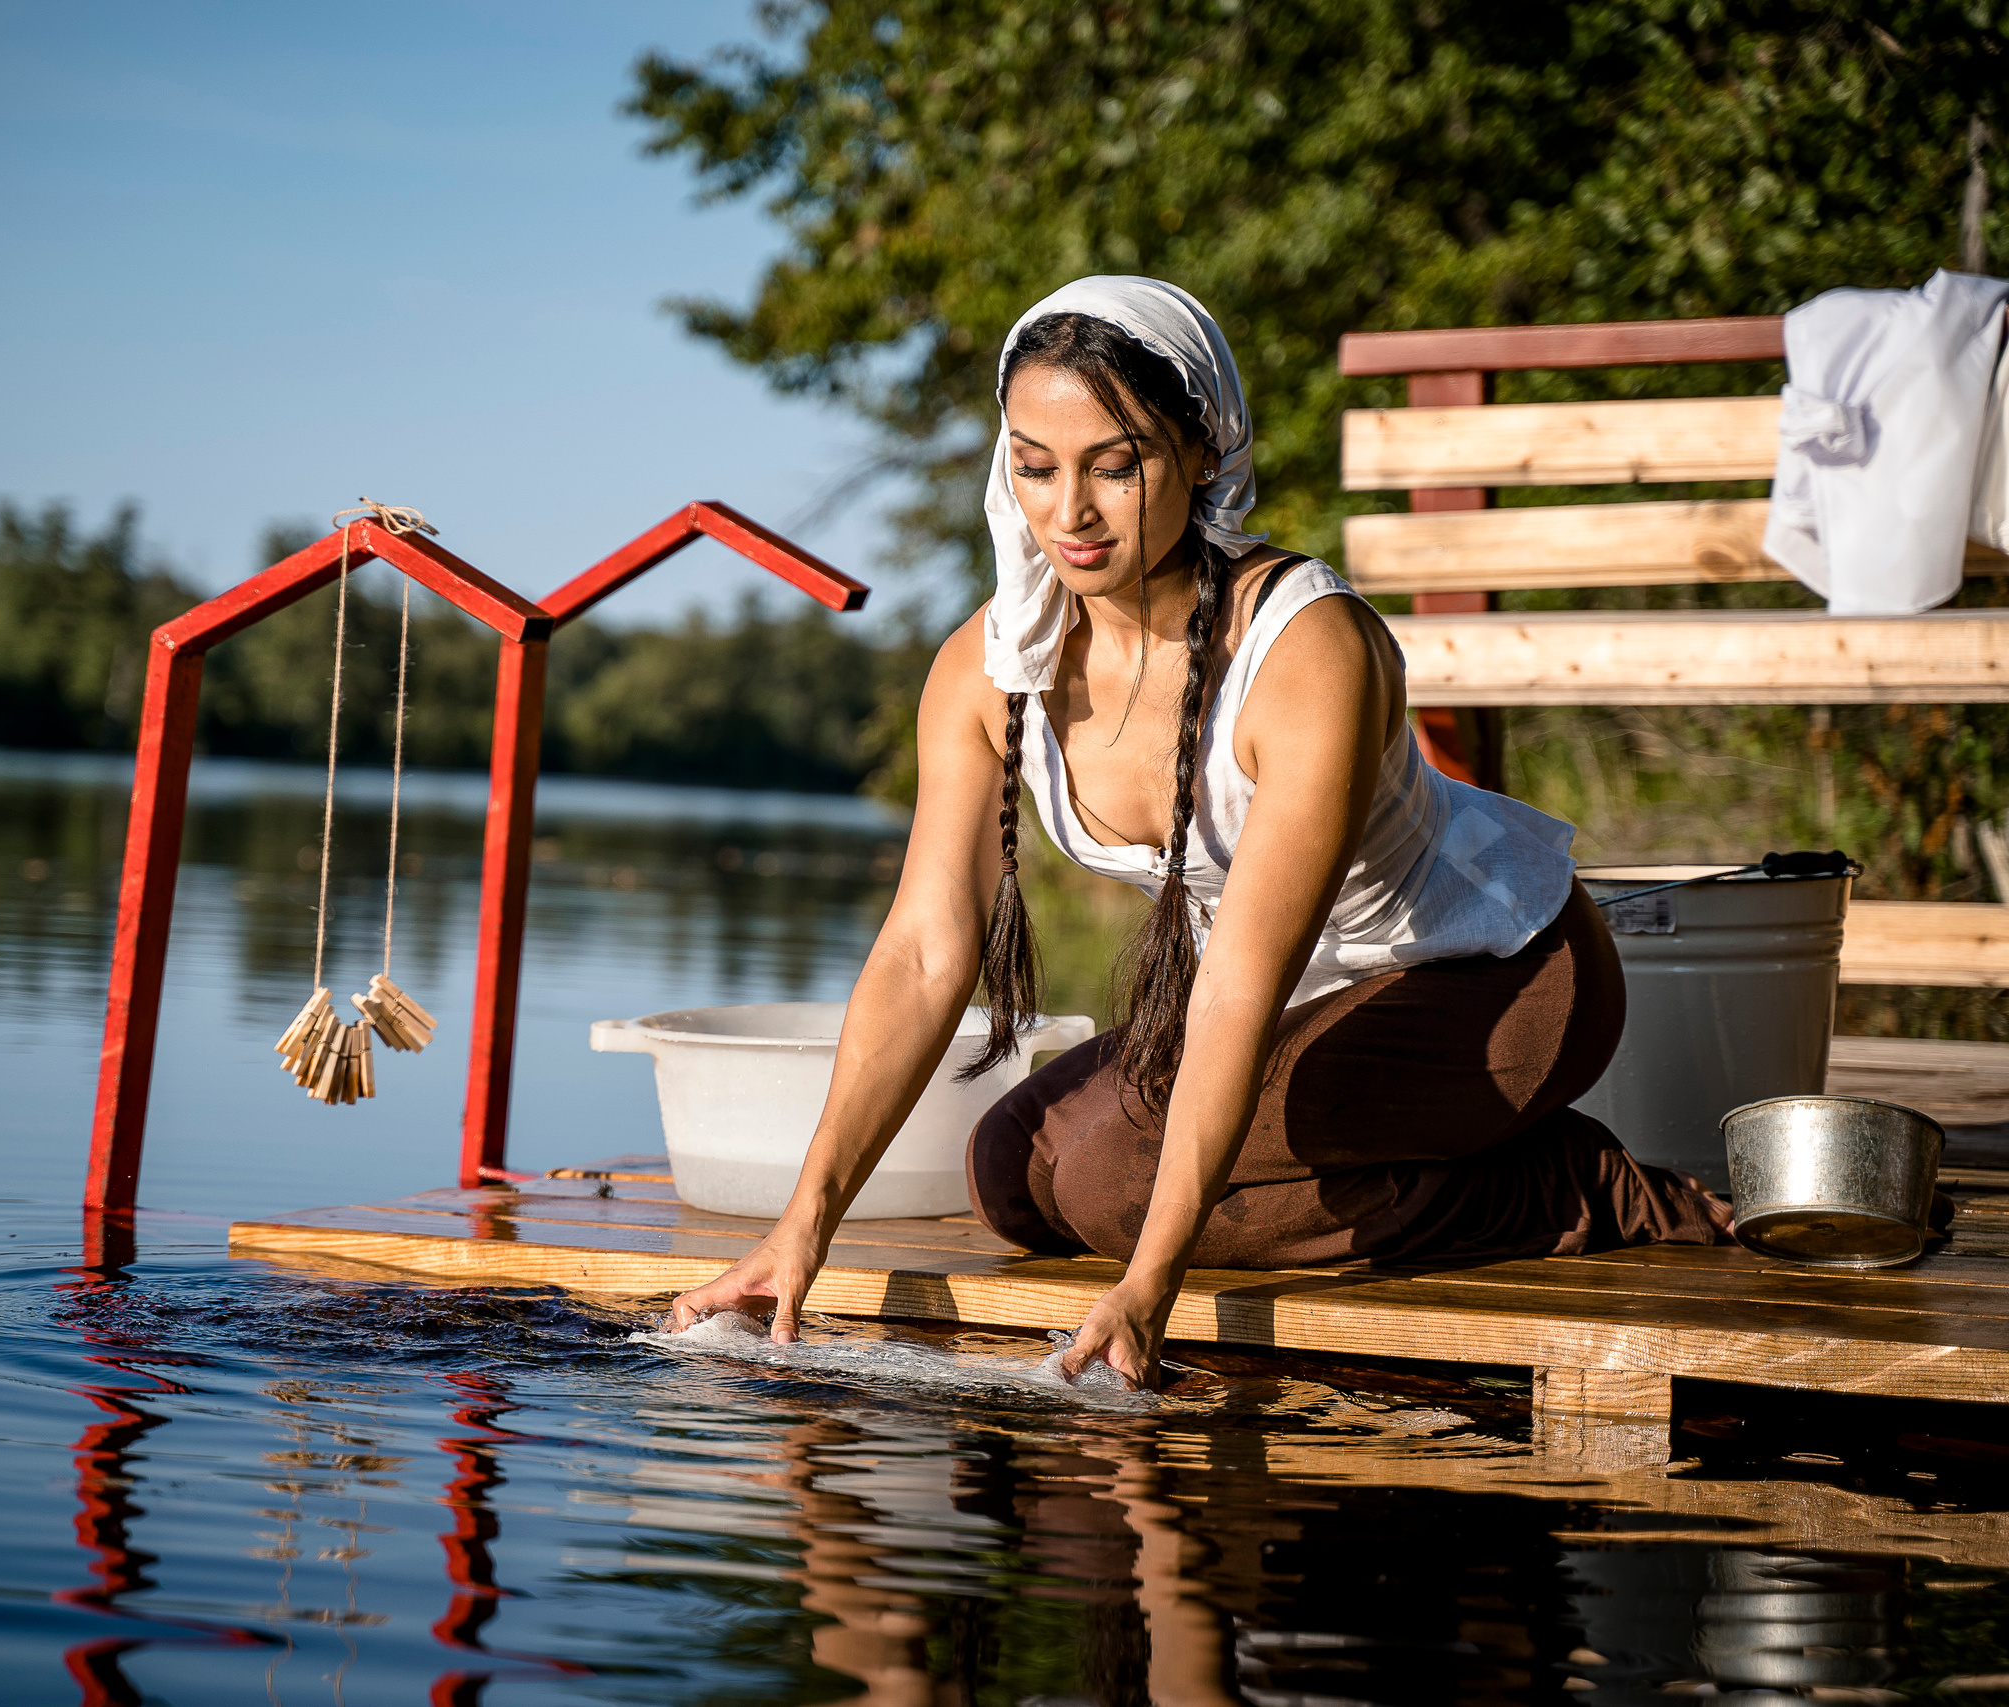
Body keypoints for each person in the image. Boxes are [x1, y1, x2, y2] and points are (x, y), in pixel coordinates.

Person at [666, 276, 1731, 1388]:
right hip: (1295, 1000)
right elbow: (926, 951)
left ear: (1203, 454)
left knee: (1116, 1189)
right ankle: (1410, 1168)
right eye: (1034, 466)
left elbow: (1235, 983)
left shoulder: (1306, 649)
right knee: (1010, 1173)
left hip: (1493, 980)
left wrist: (1152, 1280)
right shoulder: (988, 668)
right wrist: (802, 1226)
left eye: (1114, 465)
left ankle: (1573, 1188)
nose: (1068, 512)